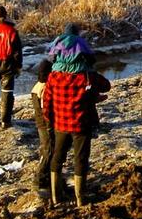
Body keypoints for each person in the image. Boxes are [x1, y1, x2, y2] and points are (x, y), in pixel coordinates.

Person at [44, 68, 110, 206]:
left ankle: (56, 197)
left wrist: (50, 120)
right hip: (81, 125)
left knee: (58, 157)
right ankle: (80, 197)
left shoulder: (53, 76)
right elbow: (106, 86)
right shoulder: (88, 76)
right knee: (80, 159)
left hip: (61, 124)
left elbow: (47, 101)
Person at [31, 59, 54, 202]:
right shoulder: (45, 88)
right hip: (45, 124)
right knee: (49, 150)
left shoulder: (36, 87)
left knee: (47, 149)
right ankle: (39, 179)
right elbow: (46, 109)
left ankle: (46, 178)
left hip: (40, 123)